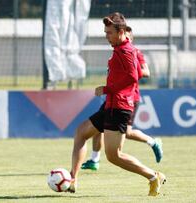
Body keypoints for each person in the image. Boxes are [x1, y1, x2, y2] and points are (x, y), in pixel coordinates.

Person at [68, 12, 166, 196]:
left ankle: (154, 176)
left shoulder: (126, 51)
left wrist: (107, 89)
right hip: (111, 105)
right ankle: (72, 180)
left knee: (114, 156)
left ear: (121, 32)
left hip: (119, 106)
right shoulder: (120, 49)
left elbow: (133, 76)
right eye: (106, 32)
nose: (107, 36)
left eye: (109, 33)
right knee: (81, 132)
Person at [81, 26, 163, 171]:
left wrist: (129, 73)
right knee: (98, 127)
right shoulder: (117, 51)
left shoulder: (134, 52)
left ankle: (153, 142)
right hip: (114, 97)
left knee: (126, 134)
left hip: (129, 98)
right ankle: (95, 159)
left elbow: (145, 72)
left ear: (130, 37)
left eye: (128, 36)